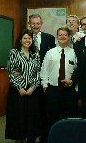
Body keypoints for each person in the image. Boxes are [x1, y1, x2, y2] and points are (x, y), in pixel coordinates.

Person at [5, 29, 41, 143]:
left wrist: (33, 87)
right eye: (25, 38)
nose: (27, 40)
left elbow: (38, 72)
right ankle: (19, 139)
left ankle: (30, 138)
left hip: (32, 91)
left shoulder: (35, 54)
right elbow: (12, 72)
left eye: (29, 38)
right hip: (17, 91)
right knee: (18, 117)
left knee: (31, 117)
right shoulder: (14, 52)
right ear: (20, 40)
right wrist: (19, 87)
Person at [40, 27, 78, 134]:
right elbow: (44, 70)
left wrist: (74, 86)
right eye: (60, 35)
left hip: (69, 91)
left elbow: (77, 71)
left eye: (65, 35)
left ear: (69, 37)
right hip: (52, 90)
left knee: (69, 118)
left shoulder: (74, 53)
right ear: (57, 37)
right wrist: (45, 85)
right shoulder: (50, 53)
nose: (62, 37)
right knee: (51, 118)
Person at [28, 14, 56, 143]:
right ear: (29, 24)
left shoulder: (49, 38)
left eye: (38, 23)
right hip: (29, 79)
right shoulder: (25, 38)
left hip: (46, 79)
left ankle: (45, 136)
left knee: (45, 109)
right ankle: (31, 136)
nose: (35, 26)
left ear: (41, 24)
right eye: (33, 23)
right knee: (31, 110)